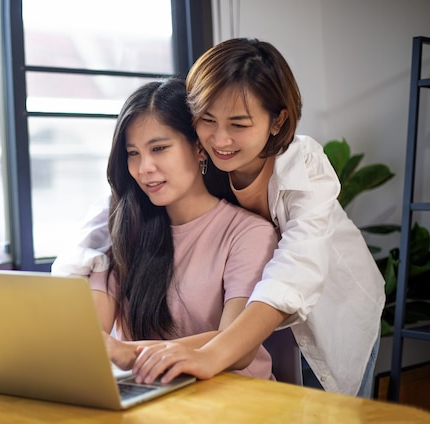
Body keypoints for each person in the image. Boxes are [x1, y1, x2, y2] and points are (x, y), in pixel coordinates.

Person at [53, 38, 386, 398]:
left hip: (327, 309)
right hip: (250, 329)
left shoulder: (299, 167)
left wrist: (202, 354)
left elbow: (297, 269)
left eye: (239, 125)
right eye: (207, 120)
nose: (220, 139)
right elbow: (100, 227)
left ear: (277, 121)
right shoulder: (180, 172)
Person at [82, 78, 279, 380]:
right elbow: (92, 335)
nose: (144, 167)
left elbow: (238, 345)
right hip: (152, 392)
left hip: (235, 398)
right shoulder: (122, 226)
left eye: (159, 148)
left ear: (200, 148)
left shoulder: (249, 233)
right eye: (133, 153)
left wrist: (132, 354)